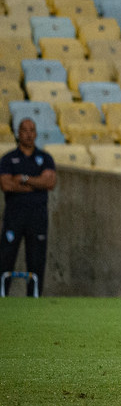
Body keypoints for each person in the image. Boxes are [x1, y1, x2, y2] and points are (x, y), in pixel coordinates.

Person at [0, 119, 56, 297]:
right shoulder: (8, 158)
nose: (29, 134)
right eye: (25, 130)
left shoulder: (45, 158)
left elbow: (50, 182)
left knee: (36, 261)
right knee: (5, 259)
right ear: (18, 133)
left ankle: (34, 299)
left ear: (36, 133)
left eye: (32, 130)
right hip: (14, 216)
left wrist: (23, 178)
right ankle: (3, 297)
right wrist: (36, 183)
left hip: (37, 217)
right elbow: (6, 185)